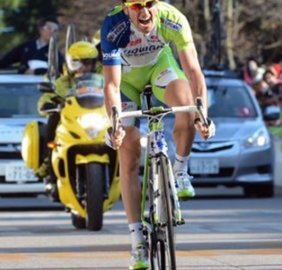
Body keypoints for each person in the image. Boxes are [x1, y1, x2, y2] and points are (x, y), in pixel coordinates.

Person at [100, 1, 215, 269]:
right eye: (137, 5)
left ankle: (181, 170)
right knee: (128, 154)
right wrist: (115, 123)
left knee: (186, 105)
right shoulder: (113, 26)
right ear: (125, 8)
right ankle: (137, 241)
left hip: (159, 68)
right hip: (126, 80)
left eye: (150, 3)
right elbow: (112, 84)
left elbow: (194, 70)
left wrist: (203, 113)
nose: (145, 12)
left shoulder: (173, 19)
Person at [35, 41, 100, 201]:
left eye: (89, 62)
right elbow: (47, 97)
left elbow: (114, 88)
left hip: (97, 120)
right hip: (71, 122)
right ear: (72, 62)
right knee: (53, 118)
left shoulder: (102, 77)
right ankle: (49, 171)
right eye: (80, 62)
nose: (85, 66)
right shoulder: (62, 82)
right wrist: (47, 104)